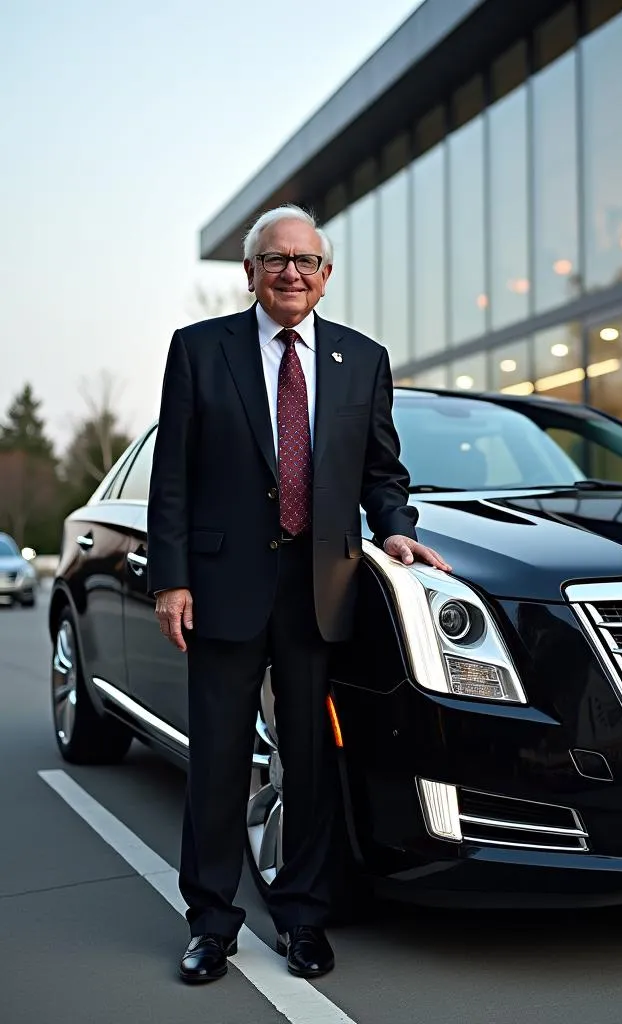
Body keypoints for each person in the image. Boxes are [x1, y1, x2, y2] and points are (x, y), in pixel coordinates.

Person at [147, 204, 449, 984]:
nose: (291, 272)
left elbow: (382, 471)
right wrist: (171, 577)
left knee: (309, 761)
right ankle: (211, 924)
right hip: (221, 586)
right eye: (275, 260)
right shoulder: (199, 350)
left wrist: (395, 528)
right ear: (249, 273)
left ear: (325, 275)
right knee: (217, 762)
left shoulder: (362, 358)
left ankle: (305, 919)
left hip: (321, 588)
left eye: (306, 261)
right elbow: (172, 474)